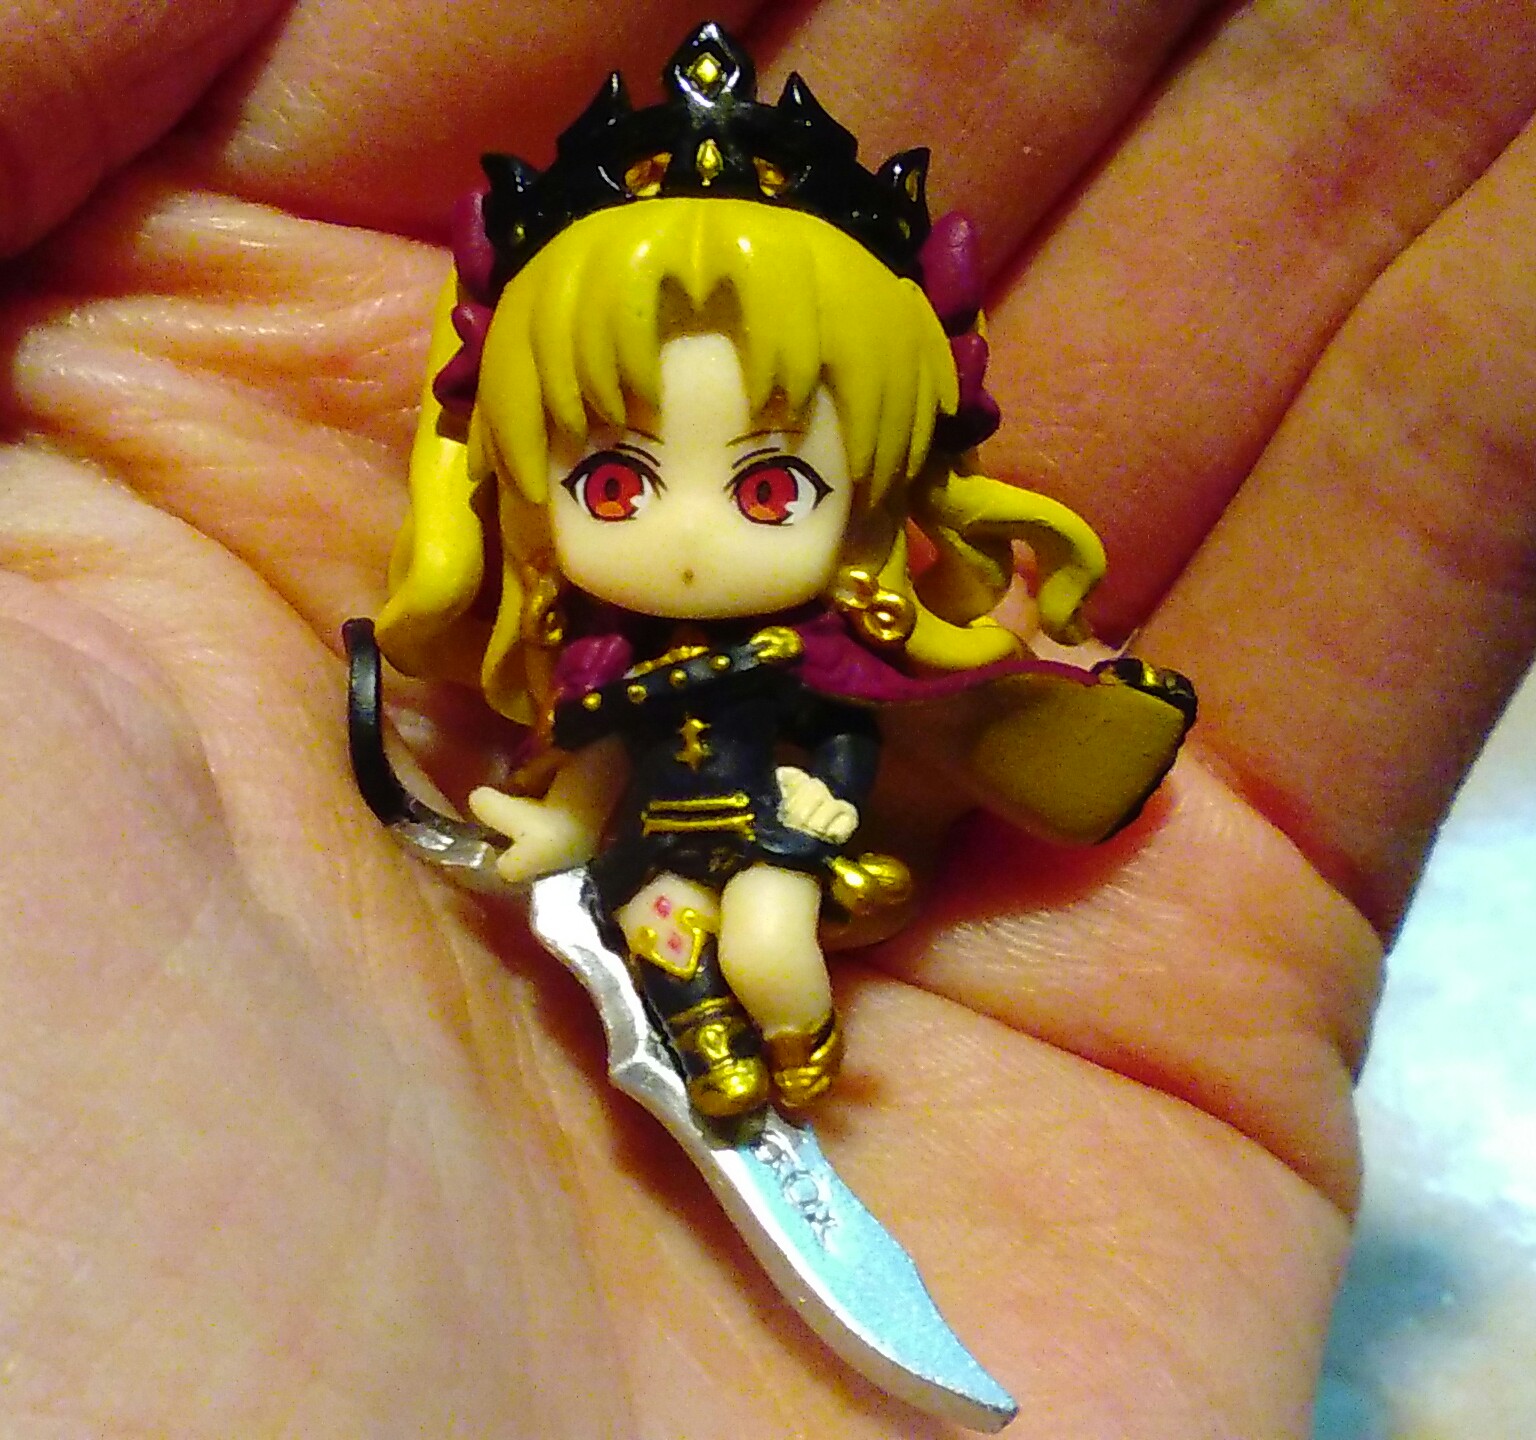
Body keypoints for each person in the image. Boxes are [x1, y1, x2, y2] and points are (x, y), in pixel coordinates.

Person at [2, 3, 1532, 1435]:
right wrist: (541, 823)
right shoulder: (593, 671)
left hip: (781, 836)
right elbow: (584, 774)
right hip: (647, 867)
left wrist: (821, 806)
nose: (684, 538)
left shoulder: (825, 659)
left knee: (774, 945)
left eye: (769, 485)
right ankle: (723, 1055)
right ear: (527, 481)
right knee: (678, 954)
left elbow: (856, 734)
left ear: (865, 495)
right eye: (614, 482)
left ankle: (782, 1040)